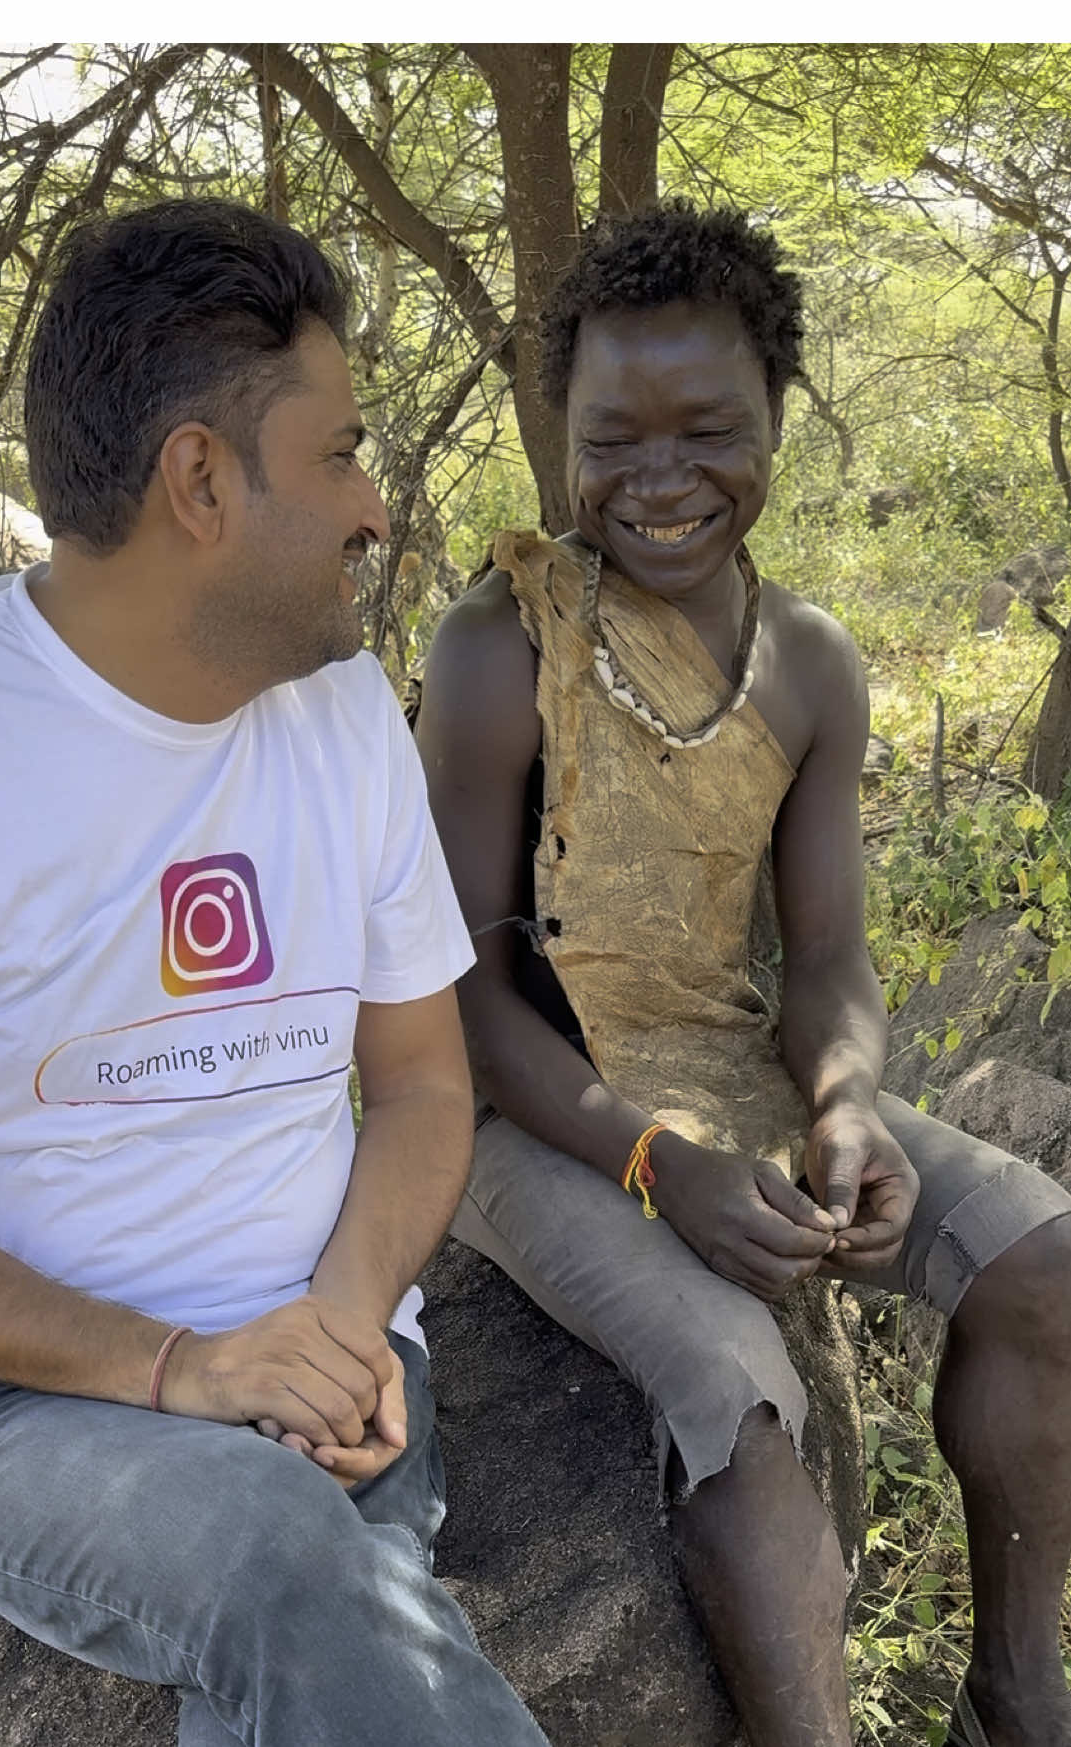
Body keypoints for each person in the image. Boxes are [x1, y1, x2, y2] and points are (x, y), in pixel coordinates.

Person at [0, 199, 550, 1747]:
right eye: (343, 453)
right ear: (201, 480)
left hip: (337, 1360)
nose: (377, 507)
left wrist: (344, 1327)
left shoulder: (347, 714)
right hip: (21, 1400)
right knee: (284, 1562)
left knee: (304, 1643)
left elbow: (423, 1084)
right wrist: (176, 1368)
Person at [414, 200, 1071, 1747]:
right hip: (525, 1114)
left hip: (727, 1060)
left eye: (707, 428)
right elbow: (456, 998)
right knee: (734, 1379)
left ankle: (1018, 1695)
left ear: (774, 417)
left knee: (1040, 1259)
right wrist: (664, 1167)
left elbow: (829, 954)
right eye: (610, 437)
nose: (658, 478)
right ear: (555, 432)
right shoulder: (496, 652)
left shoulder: (811, 662)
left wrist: (843, 1105)